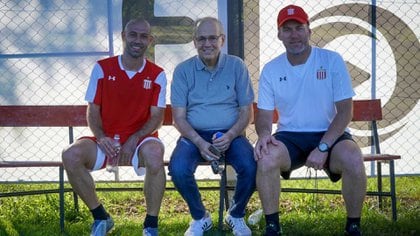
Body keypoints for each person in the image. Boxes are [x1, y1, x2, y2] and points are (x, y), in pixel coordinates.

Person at [254, 5, 367, 236]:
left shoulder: (332, 60)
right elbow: (264, 116)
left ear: (309, 31)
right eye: (287, 29)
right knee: (266, 158)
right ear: (279, 34)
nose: (294, 35)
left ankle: (353, 226)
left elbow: (345, 112)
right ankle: (272, 227)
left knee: (354, 157)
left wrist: (323, 146)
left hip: (330, 134)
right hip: (290, 137)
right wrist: (264, 135)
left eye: (299, 28)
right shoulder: (271, 69)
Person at [61, 18, 167, 236]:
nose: (137, 40)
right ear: (123, 36)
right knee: (70, 155)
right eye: (133, 34)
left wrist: (134, 139)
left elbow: (157, 118)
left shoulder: (158, 74)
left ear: (150, 40)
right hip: (106, 140)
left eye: (143, 36)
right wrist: (101, 138)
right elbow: (93, 110)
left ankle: (150, 225)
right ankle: (101, 217)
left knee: (156, 154)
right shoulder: (102, 68)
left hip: (140, 141)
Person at [169, 17, 256, 236]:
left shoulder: (237, 66)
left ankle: (235, 215)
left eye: (212, 38)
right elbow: (178, 118)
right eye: (201, 39)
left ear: (222, 40)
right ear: (194, 42)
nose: (207, 44)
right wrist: (198, 142)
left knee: (252, 166)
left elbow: (247, 112)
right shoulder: (183, 70)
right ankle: (200, 217)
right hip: (193, 134)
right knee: (178, 169)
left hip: (231, 134)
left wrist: (231, 134)